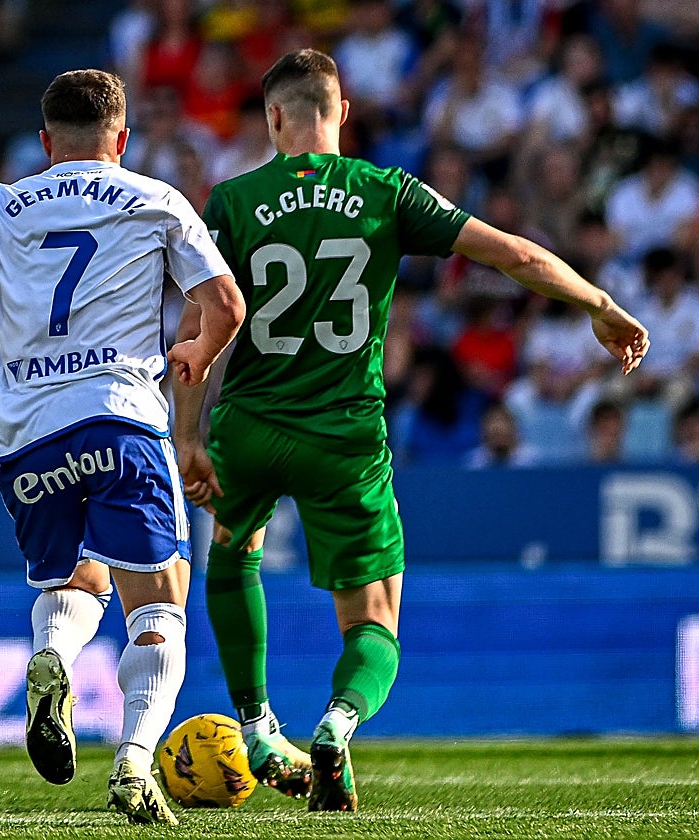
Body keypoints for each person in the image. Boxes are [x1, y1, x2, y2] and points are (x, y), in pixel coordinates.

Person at [172, 48, 649, 812]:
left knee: (233, 555)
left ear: (272, 119)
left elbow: (202, 329)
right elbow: (513, 253)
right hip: (345, 437)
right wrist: (595, 300)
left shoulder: (231, 200)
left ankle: (258, 725)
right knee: (374, 617)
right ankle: (337, 721)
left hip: (251, 423)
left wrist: (187, 437)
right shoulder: (385, 191)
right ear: (343, 114)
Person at [0, 69, 244, 825]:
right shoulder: (155, 197)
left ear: (44, 142)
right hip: (121, 419)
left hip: (24, 437)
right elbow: (223, 304)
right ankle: (131, 765)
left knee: (76, 576)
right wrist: (199, 349)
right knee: (161, 602)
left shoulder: (2, 203)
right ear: (122, 139)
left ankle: (53, 654)